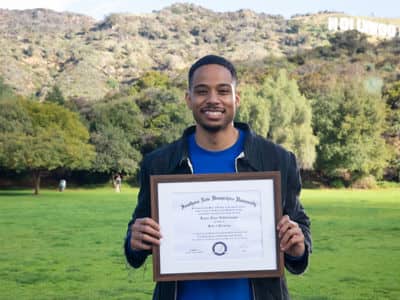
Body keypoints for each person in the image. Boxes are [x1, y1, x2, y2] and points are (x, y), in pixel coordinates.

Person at [124, 55, 312, 300]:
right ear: (188, 99)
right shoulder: (159, 163)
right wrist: (134, 241)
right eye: (202, 91)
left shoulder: (277, 159)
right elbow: (139, 232)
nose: (213, 100)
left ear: (236, 98)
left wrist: (298, 246)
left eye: (223, 91)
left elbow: (298, 222)